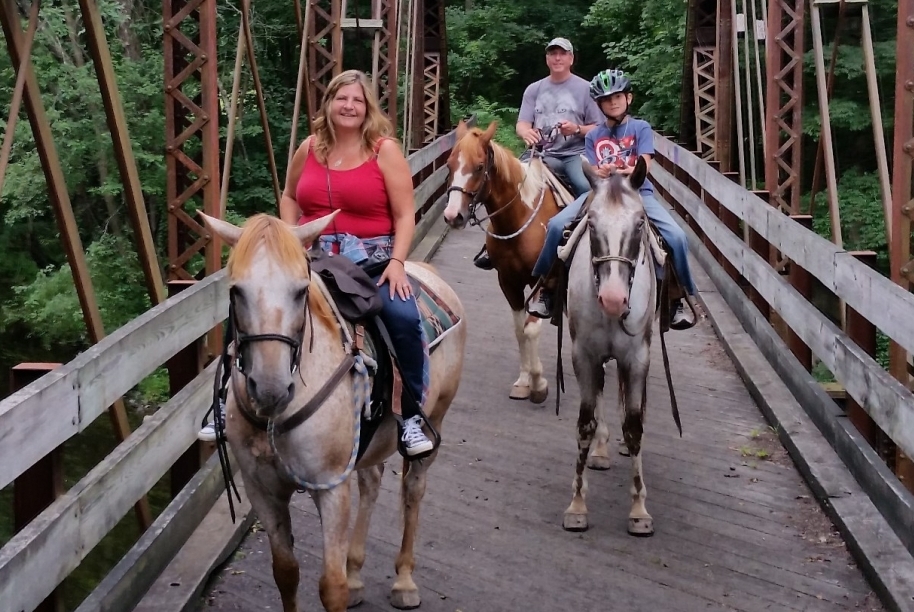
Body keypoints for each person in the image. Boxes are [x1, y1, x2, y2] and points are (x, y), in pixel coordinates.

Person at [200, 70, 434, 457]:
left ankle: (411, 418)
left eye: (357, 100)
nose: (349, 106)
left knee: (404, 319)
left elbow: (405, 214)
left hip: (371, 262)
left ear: (368, 107)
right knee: (249, 303)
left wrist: (397, 262)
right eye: (342, 98)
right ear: (328, 104)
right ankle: (223, 403)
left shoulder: (384, 151)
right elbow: (290, 196)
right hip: (315, 258)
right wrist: (291, 238)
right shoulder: (310, 148)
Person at [526, 68, 697, 330]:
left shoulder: (640, 128)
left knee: (676, 237)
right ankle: (547, 289)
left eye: (617, 97)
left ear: (629, 98)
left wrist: (626, 169)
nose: (613, 103)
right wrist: (601, 172)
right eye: (606, 100)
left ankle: (677, 298)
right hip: (600, 194)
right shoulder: (594, 135)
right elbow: (592, 169)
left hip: (637, 193)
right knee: (557, 225)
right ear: (599, 105)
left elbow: (645, 163)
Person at [473, 37, 603, 270]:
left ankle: (590, 239)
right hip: (542, 154)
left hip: (575, 153)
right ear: (547, 59)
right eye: (553, 54)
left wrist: (577, 129)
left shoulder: (585, 89)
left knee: (585, 187)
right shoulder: (534, 89)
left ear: (571, 58)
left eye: (562, 54)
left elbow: (599, 127)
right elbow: (522, 123)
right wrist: (526, 133)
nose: (557, 58)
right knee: (509, 183)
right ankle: (494, 245)